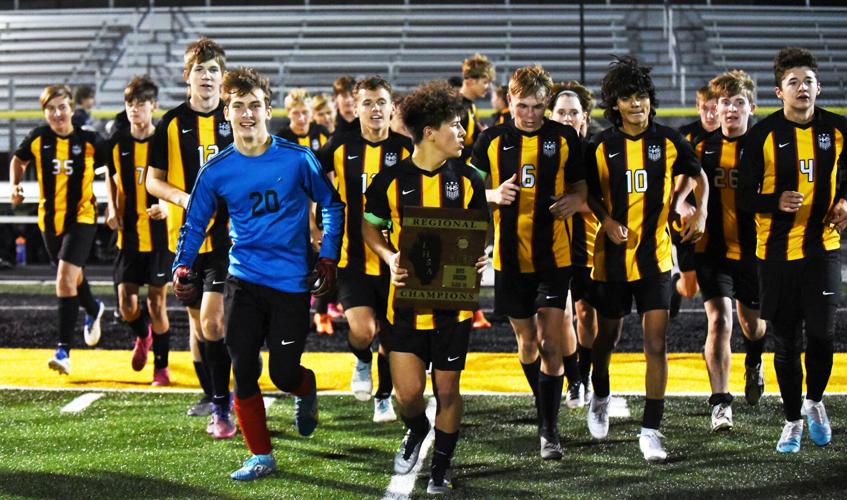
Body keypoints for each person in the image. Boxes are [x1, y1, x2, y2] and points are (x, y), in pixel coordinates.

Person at [172, 66, 344, 481]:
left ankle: (305, 388)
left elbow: (333, 204)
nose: (246, 114)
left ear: (268, 109)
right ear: (226, 115)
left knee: (284, 373)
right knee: (243, 366)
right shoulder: (216, 170)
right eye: (238, 107)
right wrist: (181, 263)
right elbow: (195, 223)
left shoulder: (298, 158)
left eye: (254, 106)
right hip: (242, 279)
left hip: (289, 283)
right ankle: (261, 455)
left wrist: (328, 256)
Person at [362, 80, 488, 494]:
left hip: (454, 307)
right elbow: (371, 226)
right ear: (430, 132)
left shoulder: (468, 179)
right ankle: (416, 429)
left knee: (448, 390)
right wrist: (389, 256)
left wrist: (483, 255)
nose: (462, 131)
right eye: (455, 124)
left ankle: (441, 468)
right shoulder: (390, 181)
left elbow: (479, 234)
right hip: (406, 306)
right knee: (408, 395)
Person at [584, 56, 709, 463]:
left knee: (657, 343)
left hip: (656, 256)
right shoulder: (600, 146)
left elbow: (697, 171)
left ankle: (651, 430)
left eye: (641, 96)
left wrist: (694, 205)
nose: (636, 104)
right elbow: (586, 191)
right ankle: (600, 394)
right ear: (614, 104)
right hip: (612, 259)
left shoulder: (671, 140)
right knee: (608, 338)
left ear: (650, 100)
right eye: (627, 97)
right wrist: (605, 220)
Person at [473, 65, 587, 460]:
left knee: (550, 344)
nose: (531, 114)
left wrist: (577, 200)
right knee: (526, 345)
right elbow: (466, 189)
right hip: (509, 259)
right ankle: (547, 408)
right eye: (523, 106)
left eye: (539, 107)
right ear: (509, 102)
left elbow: (581, 184)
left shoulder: (565, 137)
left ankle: (548, 430)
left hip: (555, 258)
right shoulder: (490, 140)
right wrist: (491, 195)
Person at [739, 47, 846, 453]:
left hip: (823, 246)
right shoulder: (762, 135)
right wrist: (774, 202)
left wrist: (845, 200)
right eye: (793, 82)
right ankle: (791, 420)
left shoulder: (838, 130)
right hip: (775, 253)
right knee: (785, 343)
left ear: (819, 86)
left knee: (821, 335)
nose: (802, 88)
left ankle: (815, 402)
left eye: (807, 81)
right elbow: (744, 197)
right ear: (778, 91)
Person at [146, 38, 235, 434]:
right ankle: (214, 395)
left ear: (223, 77)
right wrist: (183, 197)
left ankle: (224, 405)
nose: (206, 76)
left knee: (214, 324)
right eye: (199, 70)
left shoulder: (235, 120)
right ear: (187, 76)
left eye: (213, 70)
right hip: (183, 243)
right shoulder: (169, 124)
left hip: (228, 243)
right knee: (199, 328)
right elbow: (152, 181)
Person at [318, 76, 413, 422]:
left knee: (390, 337)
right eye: (368, 103)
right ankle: (361, 360)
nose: (375, 109)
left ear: (391, 108)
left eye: (381, 102)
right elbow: (310, 183)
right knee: (362, 330)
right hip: (352, 258)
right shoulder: (339, 147)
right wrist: (316, 227)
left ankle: (383, 396)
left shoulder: (407, 149)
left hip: (396, 261)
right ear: (355, 108)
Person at [9, 85, 106, 375]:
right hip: (49, 221)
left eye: (62, 107)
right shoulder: (39, 137)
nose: (57, 113)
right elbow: (18, 159)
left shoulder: (89, 139)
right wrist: (16, 184)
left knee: (64, 279)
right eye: (51, 108)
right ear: (45, 112)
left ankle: (63, 350)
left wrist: (113, 203)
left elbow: (113, 166)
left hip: (83, 216)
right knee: (73, 278)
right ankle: (93, 308)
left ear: (72, 109)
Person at [690, 70, 767, 432]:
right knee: (720, 321)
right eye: (725, 103)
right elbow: (678, 193)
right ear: (714, 108)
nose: (731, 109)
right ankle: (720, 403)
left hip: (754, 251)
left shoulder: (766, 146)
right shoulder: (700, 148)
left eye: (739, 103)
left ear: (751, 107)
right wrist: (684, 208)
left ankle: (754, 360)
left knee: (752, 325)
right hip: (713, 251)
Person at [104, 75, 173, 385]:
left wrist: (168, 207)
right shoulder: (117, 142)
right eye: (130, 104)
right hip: (129, 236)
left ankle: (161, 366)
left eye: (141, 104)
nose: (135, 110)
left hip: (160, 237)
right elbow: (111, 176)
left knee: (156, 303)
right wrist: (111, 206)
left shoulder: (165, 141)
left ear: (153, 107)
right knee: (126, 306)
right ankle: (142, 335)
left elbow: (177, 181)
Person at [549, 81, 599, 408]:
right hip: (551, 245)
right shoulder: (541, 148)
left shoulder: (595, 149)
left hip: (590, 245)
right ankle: (574, 378)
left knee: (587, 314)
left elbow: (610, 198)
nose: (567, 118)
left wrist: (575, 202)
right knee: (561, 315)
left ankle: (586, 369)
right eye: (561, 112)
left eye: (573, 113)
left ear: (584, 118)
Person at [670, 85, 719, 316]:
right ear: (697, 108)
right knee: (690, 289)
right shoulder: (685, 136)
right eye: (705, 109)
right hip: (688, 218)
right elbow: (668, 176)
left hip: (721, 218)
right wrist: (679, 203)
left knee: (720, 291)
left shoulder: (736, 133)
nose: (710, 115)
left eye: (715, 108)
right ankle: (675, 286)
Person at [459, 54, 496, 330]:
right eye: (484, 82)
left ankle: (471, 309)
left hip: (465, 186)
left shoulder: (468, 107)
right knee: (463, 250)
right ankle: (467, 309)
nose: (488, 88)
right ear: (470, 80)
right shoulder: (459, 108)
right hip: (457, 189)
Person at [276, 89, 330, 154]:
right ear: (288, 113)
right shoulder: (281, 138)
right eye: (295, 113)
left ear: (311, 113)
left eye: (305, 112)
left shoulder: (322, 132)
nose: (301, 118)